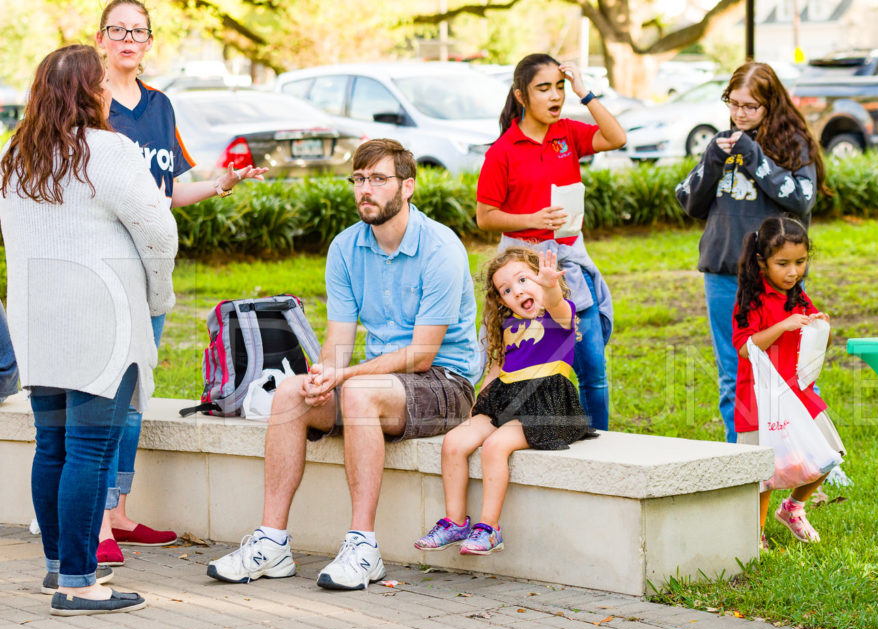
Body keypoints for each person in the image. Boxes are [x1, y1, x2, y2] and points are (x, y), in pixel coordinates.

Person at [207, 139, 480, 590]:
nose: (364, 190)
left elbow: (422, 355)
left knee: (354, 390)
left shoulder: (440, 249)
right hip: (380, 384)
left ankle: (364, 547)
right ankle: (272, 542)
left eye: (378, 179)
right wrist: (321, 375)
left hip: (446, 383)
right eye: (358, 179)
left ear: (407, 186)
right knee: (292, 392)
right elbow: (338, 343)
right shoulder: (346, 248)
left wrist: (347, 376)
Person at [0, 44, 177, 615]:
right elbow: (158, 232)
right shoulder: (109, 150)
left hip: (39, 327)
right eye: (102, 83)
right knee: (88, 453)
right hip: (102, 325)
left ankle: (58, 566)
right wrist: (159, 293)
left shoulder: (14, 157)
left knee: (51, 446)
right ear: (87, 92)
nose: (108, 92)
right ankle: (79, 582)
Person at [93, 0, 267, 565]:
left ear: (148, 42)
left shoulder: (160, 105)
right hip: (102, 269)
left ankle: (118, 512)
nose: (127, 39)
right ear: (101, 38)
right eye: (118, 30)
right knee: (102, 389)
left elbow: (167, 192)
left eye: (137, 32)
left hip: (153, 269)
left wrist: (220, 184)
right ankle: (94, 523)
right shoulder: (85, 100)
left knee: (136, 391)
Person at [676, 62, 826, 443]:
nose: (739, 113)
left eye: (750, 106)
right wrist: (713, 158)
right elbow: (688, 202)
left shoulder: (793, 144)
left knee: (789, 370)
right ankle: (743, 465)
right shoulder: (724, 141)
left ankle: (808, 461)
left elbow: (802, 198)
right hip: (724, 274)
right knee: (734, 372)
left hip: (776, 277)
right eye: (733, 103)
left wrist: (755, 158)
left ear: (771, 105)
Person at [476, 53, 626, 432]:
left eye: (559, 87)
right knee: (521, 363)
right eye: (544, 88)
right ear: (521, 96)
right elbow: (485, 215)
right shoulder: (502, 151)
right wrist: (531, 219)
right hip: (521, 264)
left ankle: (599, 444)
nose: (555, 96)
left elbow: (616, 137)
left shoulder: (568, 133)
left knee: (591, 365)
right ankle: (523, 431)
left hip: (569, 261)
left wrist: (584, 91)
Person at [414, 248, 595, 555]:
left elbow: (555, 303)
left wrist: (550, 286)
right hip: (506, 397)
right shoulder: (507, 325)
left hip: (547, 405)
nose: (518, 291)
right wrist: (476, 408)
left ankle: (489, 528)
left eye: (524, 279)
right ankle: (455, 522)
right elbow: (497, 369)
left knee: (497, 446)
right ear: (501, 300)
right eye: (507, 290)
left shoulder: (560, 316)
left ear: (541, 278)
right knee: (454, 442)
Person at [731, 216, 845, 548]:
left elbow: (819, 343)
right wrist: (783, 325)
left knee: (829, 453)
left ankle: (793, 508)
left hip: (797, 391)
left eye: (800, 262)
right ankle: (754, 533)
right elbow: (743, 347)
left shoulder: (797, 296)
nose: (793, 271)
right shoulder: (751, 300)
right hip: (759, 395)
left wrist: (821, 327)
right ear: (761, 261)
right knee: (762, 474)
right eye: (783, 264)